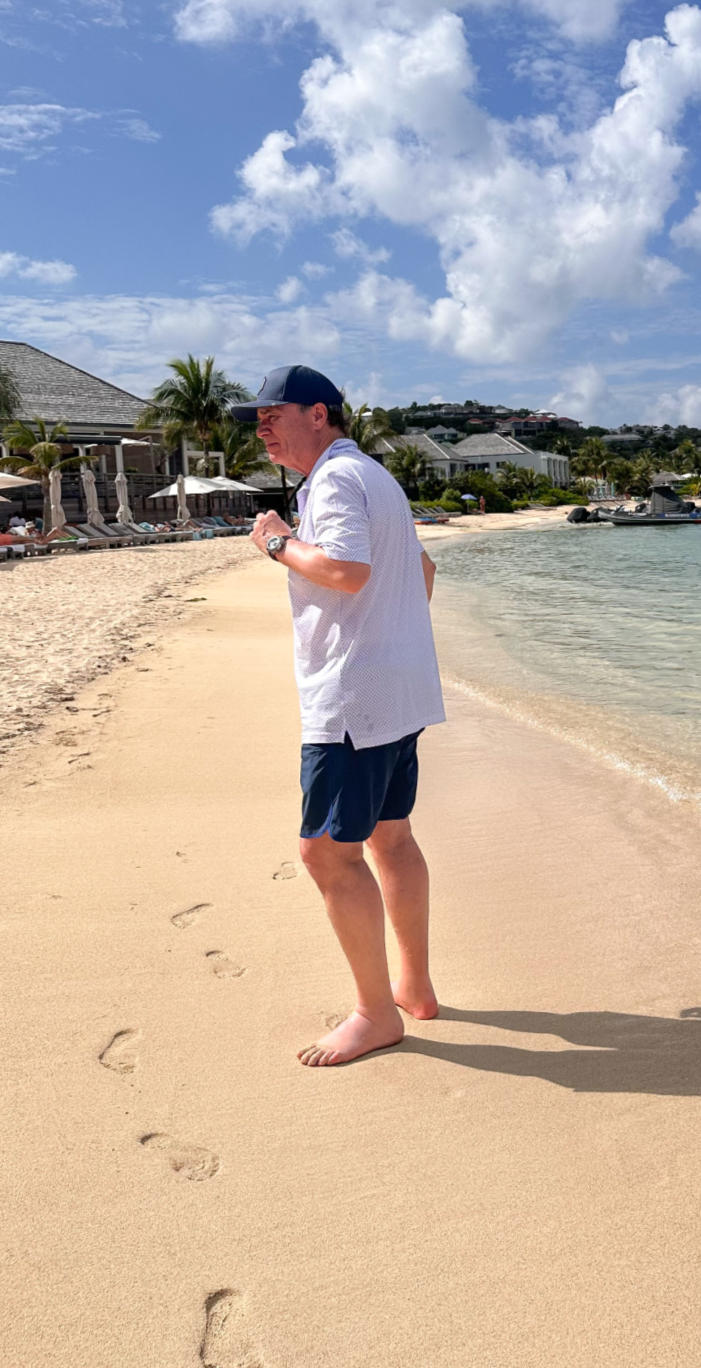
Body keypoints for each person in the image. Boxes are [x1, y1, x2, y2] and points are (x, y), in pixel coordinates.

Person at [233, 365, 445, 1067]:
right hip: (398, 690)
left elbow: (348, 570)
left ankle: (375, 1012)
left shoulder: (331, 480)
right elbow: (421, 574)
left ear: (318, 413)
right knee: (390, 836)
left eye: (272, 414)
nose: (260, 427)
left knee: (325, 851)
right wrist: (392, 634)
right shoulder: (375, 476)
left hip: (353, 699)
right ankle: (413, 985)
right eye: (256, 419)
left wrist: (273, 542)